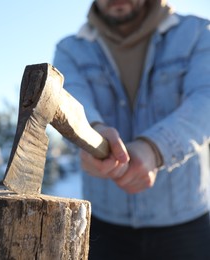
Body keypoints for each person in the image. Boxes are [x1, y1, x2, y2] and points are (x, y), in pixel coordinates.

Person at [53, 0, 210, 259]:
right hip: (102, 226)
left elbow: (205, 98)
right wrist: (92, 136)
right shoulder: (70, 49)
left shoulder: (198, 33)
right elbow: (70, 99)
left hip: (188, 224)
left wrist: (154, 149)